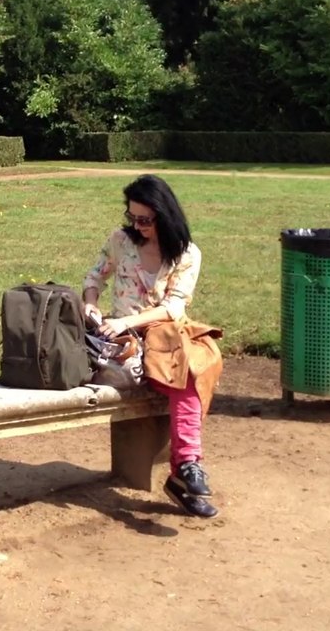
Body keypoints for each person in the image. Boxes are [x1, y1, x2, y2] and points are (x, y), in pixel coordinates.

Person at [82, 174, 224, 518]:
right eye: (132, 217)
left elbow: (175, 307)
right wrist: (90, 303)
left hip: (163, 336)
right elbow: (94, 277)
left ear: (164, 215)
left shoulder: (188, 254)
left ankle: (187, 465)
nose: (137, 225)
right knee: (184, 377)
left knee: (188, 372)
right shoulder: (120, 241)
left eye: (144, 219)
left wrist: (127, 321)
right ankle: (183, 472)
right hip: (123, 342)